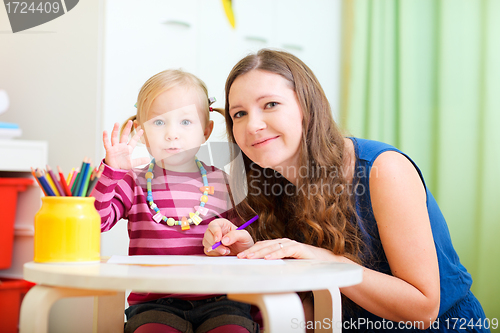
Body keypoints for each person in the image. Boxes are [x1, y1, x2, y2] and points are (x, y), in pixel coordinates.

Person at [203, 49, 489, 332]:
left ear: (308, 106)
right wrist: (254, 258)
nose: (252, 125)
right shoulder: (262, 189)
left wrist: (327, 262)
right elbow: (313, 315)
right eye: (239, 114)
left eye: (271, 104)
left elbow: (423, 309)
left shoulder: (383, 169)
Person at [93, 69, 258, 333]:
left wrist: (233, 243)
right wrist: (111, 172)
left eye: (185, 122)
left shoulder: (223, 182)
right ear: (142, 131)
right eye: (159, 123)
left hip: (221, 302)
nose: (172, 134)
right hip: (154, 304)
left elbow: (243, 245)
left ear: (206, 131)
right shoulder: (132, 181)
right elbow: (95, 223)